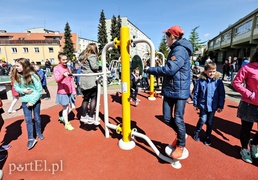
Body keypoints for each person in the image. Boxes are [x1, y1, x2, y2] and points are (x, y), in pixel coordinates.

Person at [146, 25, 193, 159]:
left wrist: (151, 70)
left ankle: (181, 144)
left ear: (173, 36)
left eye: (166, 36)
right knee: (167, 117)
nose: (165, 39)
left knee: (178, 118)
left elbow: (169, 70)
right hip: (170, 89)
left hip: (179, 91)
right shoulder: (175, 49)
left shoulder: (179, 50)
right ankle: (180, 134)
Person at [232, 46, 258, 164]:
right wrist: (249, 94)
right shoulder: (248, 67)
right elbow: (236, 82)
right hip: (249, 105)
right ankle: (244, 149)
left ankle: (254, 144)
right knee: (246, 129)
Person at [14, 58, 44, 150]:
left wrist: (32, 101)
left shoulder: (33, 75)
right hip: (25, 101)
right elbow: (16, 87)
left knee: (37, 118)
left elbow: (39, 90)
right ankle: (31, 138)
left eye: (18, 66)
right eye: (16, 65)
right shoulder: (18, 76)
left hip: (35, 101)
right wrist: (22, 90)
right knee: (28, 120)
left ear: (24, 66)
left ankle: (39, 132)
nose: (16, 67)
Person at [193, 62, 225, 146]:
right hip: (203, 105)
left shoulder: (218, 82)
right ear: (206, 71)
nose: (212, 73)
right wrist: (195, 103)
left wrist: (220, 106)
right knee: (203, 119)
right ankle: (197, 131)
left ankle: (208, 136)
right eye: (210, 71)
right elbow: (196, 92)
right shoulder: (200, 81)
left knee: (210, 122)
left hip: (213, 106)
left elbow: (222, 94)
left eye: (213, 71)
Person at [54, 53, 76, 131]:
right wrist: (63, 75)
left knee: (73, 107)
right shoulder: (56, 68)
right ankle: (67, 124)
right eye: (63, 60)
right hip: (62, 91)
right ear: (59, 60)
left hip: (70, 91)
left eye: (66, 59)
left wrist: (74, 91)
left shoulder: (68, 68)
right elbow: (57, 80)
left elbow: (71, 80)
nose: (65, 61)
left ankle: (63, 117)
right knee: (65, 108)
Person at [79, 43, 100, 125]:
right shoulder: (92, 56)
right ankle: (91, 116)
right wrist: (100, 67)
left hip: (84, 80)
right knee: (93, 98)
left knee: (86, 98)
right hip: (91, 80)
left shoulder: (83, 56)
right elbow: (94, 67)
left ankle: (83, 115)